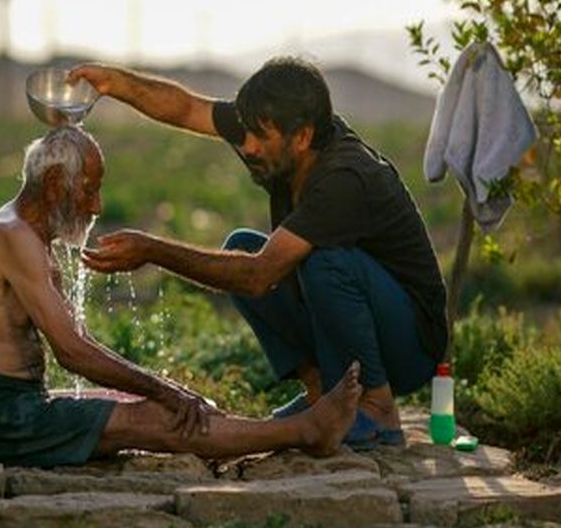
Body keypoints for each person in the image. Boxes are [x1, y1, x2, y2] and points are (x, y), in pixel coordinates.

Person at [71, 58, 447, 448]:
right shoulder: (273, 128)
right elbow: (186, 108)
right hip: (357, 322)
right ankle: (321, 395)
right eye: (246, 132)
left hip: (410, 346)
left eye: (260, 137)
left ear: (302, 136)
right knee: (242, 247)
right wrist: (116, 83)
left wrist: (153, 250)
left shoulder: (343, 178)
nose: (248, 146)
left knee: (322, 262)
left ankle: (376, 408)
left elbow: (257, 276)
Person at [0, 125, 362, 467]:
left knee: (187, 408)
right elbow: (72, 353)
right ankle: (305, 431)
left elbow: (78, 341)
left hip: (15, 408)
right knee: (161, 415)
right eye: (89, 190)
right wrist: (164, 392)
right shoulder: (12, 237)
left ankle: (270, 429)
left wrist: (165, 390)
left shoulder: (26, 236)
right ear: (54, 184)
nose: (96, 207)